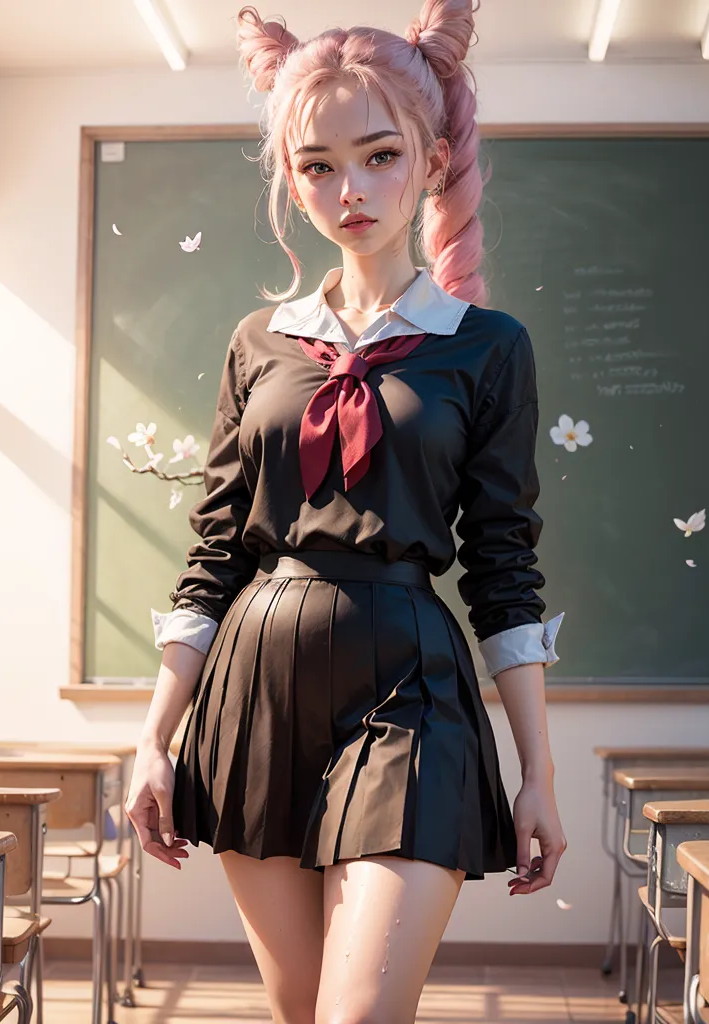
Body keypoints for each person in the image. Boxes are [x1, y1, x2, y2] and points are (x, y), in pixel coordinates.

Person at [126, 1, 567, 1019]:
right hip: (256, 689)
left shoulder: (486, 345)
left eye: (376, 156)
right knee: (298, 1011)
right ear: (289, 174)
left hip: (411, 690)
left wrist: (537, 771)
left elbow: (503, 567)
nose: (348, 189)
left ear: (433, 155)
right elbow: (215, 553)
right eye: (316, 165)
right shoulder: (258, 342)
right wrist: (155, 735)